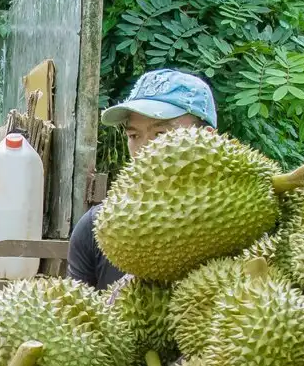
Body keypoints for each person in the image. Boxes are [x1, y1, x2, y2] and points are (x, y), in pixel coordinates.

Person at [67, 68, 218, 288]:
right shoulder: (96, 228)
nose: (145, 150)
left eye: (161, 134)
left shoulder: (246, 226)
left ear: (207, 139)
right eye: (134, 136)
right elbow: (74, 314)